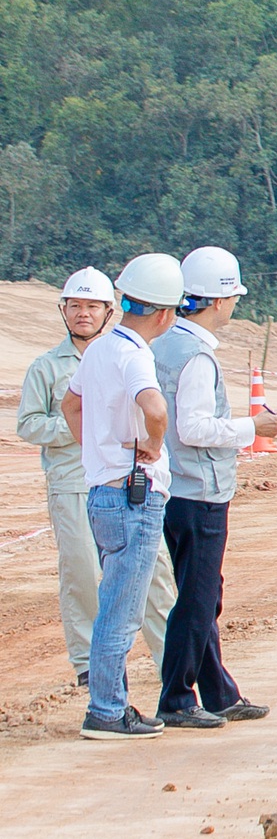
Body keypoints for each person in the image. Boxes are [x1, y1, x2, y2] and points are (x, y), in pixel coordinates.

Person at [19, 269, 175, 689]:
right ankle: (91, 666)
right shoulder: (47, 367)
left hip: (127, 480)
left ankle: (173, 664)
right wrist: (84, 434)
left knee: (155, 574)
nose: (82, 314)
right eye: (75, 306)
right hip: (72, 481)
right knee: (83, 573)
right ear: (63, 310)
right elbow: (29, 423)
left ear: (111, 310)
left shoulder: (126, 353)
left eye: (91, 307)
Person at [152, 247, 277, 729]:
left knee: (201, 592)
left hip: (174, 489)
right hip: (199, 491)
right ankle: (176, 698)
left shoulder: (162, 344)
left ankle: (218, 692)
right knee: (197, 598)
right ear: (220, 301)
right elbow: (194, 427)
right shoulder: (197, 356)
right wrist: (254, 429)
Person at [61, 254, 186, 740]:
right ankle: (107, 710)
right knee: (121, 608)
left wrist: (94, 448)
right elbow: (154, 408)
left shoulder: (97, 349)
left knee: (114, 599)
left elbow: (72, 404)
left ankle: (109, 704)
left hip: (102, 491)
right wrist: (152, 447)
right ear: (163, 314)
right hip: (134, 496)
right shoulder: (136, 355)